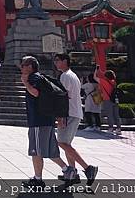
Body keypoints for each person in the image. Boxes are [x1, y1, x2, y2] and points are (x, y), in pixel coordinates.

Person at [20, 55, 69, 188]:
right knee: (50, 150)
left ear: (30, 66)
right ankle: (67, 170)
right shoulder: (42, 77)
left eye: (23, 64)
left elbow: (35, 93)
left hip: (38, 120)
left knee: (36, 151)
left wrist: (25, 82)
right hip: (47, 120)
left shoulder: (33, 78)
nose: (21, 67)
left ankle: (37, 179)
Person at [54, 53, 98, 186]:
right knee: (66, 144)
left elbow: (63, 97)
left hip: (69, 113)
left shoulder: (65, 76)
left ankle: (87, 168)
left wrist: (60, 117)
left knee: (62, 143)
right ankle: (72, 173)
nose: (56, 63)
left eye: (58, 60)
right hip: (75, 112)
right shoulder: (72, 75)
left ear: (65, 61)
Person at [94, 66, 121, 135]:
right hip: (115, 99)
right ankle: (118, 128)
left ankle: (111, 128)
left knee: (110, 115)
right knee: (116, 115)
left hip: (107, 100)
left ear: (106, 76)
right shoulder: (114, 82)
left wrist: (96, 70)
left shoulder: (103, 81)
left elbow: (95, 77)